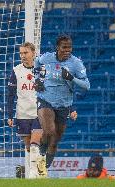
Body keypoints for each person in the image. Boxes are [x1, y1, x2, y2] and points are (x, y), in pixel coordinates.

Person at [34, 35, 90, 172]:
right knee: (49, 131)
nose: (67, 50)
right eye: (64, 47)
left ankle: (44, 169)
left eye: (69, 47)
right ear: (57, 47)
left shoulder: (76, 63)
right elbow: (36, 64)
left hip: (64, 105)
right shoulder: (47, 58)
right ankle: (41, 152)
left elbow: (87, 85)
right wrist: (38, 80)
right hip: (45, 99)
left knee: (55, 141)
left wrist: (72, 78)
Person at [7, 42, 46, 178]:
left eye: (25, 53)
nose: (23, 56)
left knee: (35, 144)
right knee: (30, 147)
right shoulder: (16, 70)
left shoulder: (42, 69)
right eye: (21, 53)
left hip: (39, 113)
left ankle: (33, 174)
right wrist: (10, 115)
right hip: (22, 113)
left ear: (33, 53)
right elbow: (11, 94)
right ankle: (40, 167)